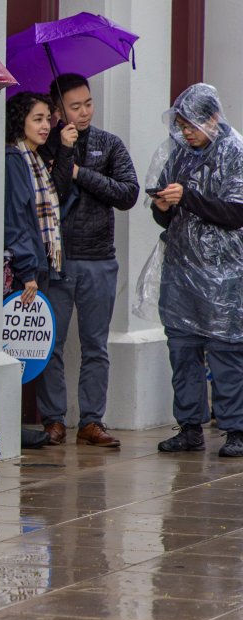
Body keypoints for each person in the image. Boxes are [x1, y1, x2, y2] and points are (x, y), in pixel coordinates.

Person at [35, 74, 139, 448]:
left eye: (88, 104)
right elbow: (50, 194)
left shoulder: (108, 144)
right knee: (52, 342)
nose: (84, 113)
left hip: (99, 258)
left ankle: (92, 420)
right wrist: (63, 155)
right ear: (58, 109)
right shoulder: (45, 145)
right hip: (57, 259)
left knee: (95, 344)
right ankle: (53, 419)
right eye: (75, 107)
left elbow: (128, 193)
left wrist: (82, 172)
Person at [149, 83, 243, 457]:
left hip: (225, 273)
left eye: (192, 124)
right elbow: (164, 218)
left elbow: (236, 212)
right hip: (181, 268)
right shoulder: (180, 156)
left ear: (214, 118)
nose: (187, 132)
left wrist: (186, 197)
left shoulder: (235, 153)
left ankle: (236, 427)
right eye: (182, 125)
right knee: (182, 349)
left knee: (225, 349)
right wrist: (163, 205)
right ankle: (189, 427)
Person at [4, 91, 73, 450]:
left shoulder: (34, 158)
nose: (46, 125)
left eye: (48, 118)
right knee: (17, 345)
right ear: (21, 122)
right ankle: (9, 425)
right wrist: (28, 269)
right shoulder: (15, 159)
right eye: (38, 119)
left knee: (37, 344)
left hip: (42, 263)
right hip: (25, 268)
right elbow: (17, 218)